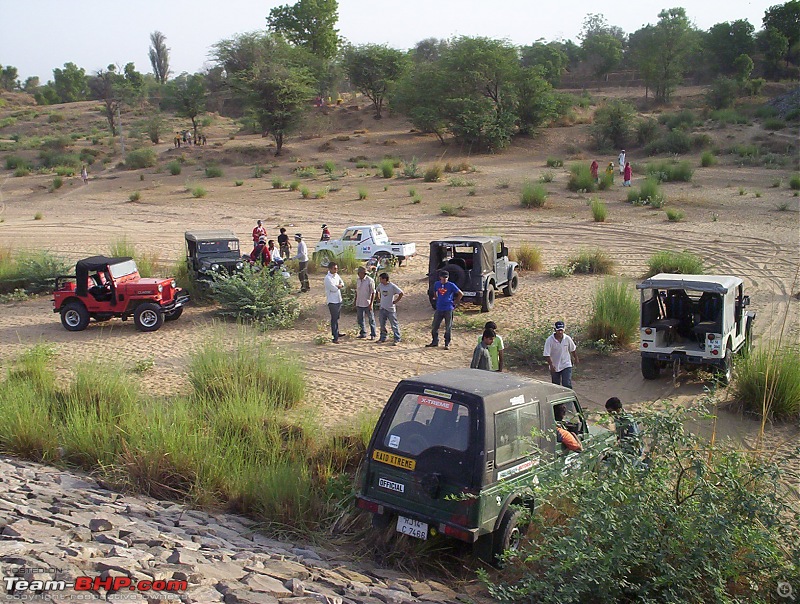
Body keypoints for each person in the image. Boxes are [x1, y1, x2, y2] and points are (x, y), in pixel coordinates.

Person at [426, 270, 463, 350]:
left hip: (448, 308)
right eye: (443, 277)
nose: (444, 279)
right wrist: (436, 298)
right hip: (439, 308)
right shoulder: (437, 284)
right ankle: (435, 341)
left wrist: (455, 302)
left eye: (446, 278)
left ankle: (447, 343)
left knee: (448, 327)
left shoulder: (451, 285)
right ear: (440, 277)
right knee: (435, 326)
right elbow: (434, 291)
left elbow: (460, 293)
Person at [543, 321, 578, 388]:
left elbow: (573, 349)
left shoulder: (567, 338)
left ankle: (568, 397)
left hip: (566, 364)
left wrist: (576, 358)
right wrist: (551, 365)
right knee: (556, 385)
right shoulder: (549, 340)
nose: (560, 332)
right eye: (558, 330)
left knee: (567, 383)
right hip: (555, 366)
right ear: (555, 330)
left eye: (561, 330)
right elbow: (547, 354)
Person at [376, 272, 404, 345]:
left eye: (381, 279)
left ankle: (397, 338)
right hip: (382, 308)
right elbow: (377, 291)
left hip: (390, 309)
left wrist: (396, 301)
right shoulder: (380, 285)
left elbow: (401, 293)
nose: (380, 280)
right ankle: (383, 337)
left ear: (385, 279)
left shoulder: (392, 286)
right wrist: (378, 298)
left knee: (394, 324)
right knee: (382, 324)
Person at [324, 261, 345, 343]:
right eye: (334, 268)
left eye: (336, 268)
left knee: (337, 318)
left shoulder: (336, 275)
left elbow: (342, 283)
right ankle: (334, 336)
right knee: (334, 318)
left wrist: (339, 286)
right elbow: (333, 288)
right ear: (330, 269)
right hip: (332, 301)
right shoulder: (327, 278)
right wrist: (339, 286)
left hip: (338, 299)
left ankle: (337, 332)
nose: (336, 270)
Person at [355, 266, 377, 340]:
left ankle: (373, 334)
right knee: (360, 319)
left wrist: (371, 304)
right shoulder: (358, 280)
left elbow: (373, 293)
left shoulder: (370, 280)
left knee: (371, 319)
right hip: (359, 302)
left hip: (367, 302)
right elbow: (357, 291)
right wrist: (355, 301)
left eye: (359, 273)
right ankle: (363, 333)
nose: (358, 275)